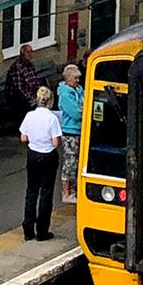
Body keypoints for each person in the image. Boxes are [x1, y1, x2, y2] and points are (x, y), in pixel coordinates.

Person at [19, 86, 61, 241]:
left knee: (31, 191)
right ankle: (42, 231)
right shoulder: (52, 118)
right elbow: (56, 143)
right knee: (46, 192)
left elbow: (23, 137)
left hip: (32, 155)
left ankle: (28, 229)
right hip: (48, 156)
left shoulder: (30, 116)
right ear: (50, 101)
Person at [56, 64, 84, 203]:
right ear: (68, 79)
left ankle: (74, 190)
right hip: (70, 131)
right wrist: (83, 109)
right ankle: (66, 192)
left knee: (79, 161)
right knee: (70, 161)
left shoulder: (79, 90)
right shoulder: (65, 94)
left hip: (80, 130)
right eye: (75, 78)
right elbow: (76, 113)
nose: (78, 81)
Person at [5, 43, 43, 129]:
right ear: (22, 54)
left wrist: (40, 92)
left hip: (31, 92)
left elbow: (35, 81)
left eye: (31, 52)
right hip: (17, 96)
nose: (30, 54)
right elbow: (19, 89)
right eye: (28, 52)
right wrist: (32, 98)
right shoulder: (17, 67)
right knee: (28, 105)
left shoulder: (30, 65)